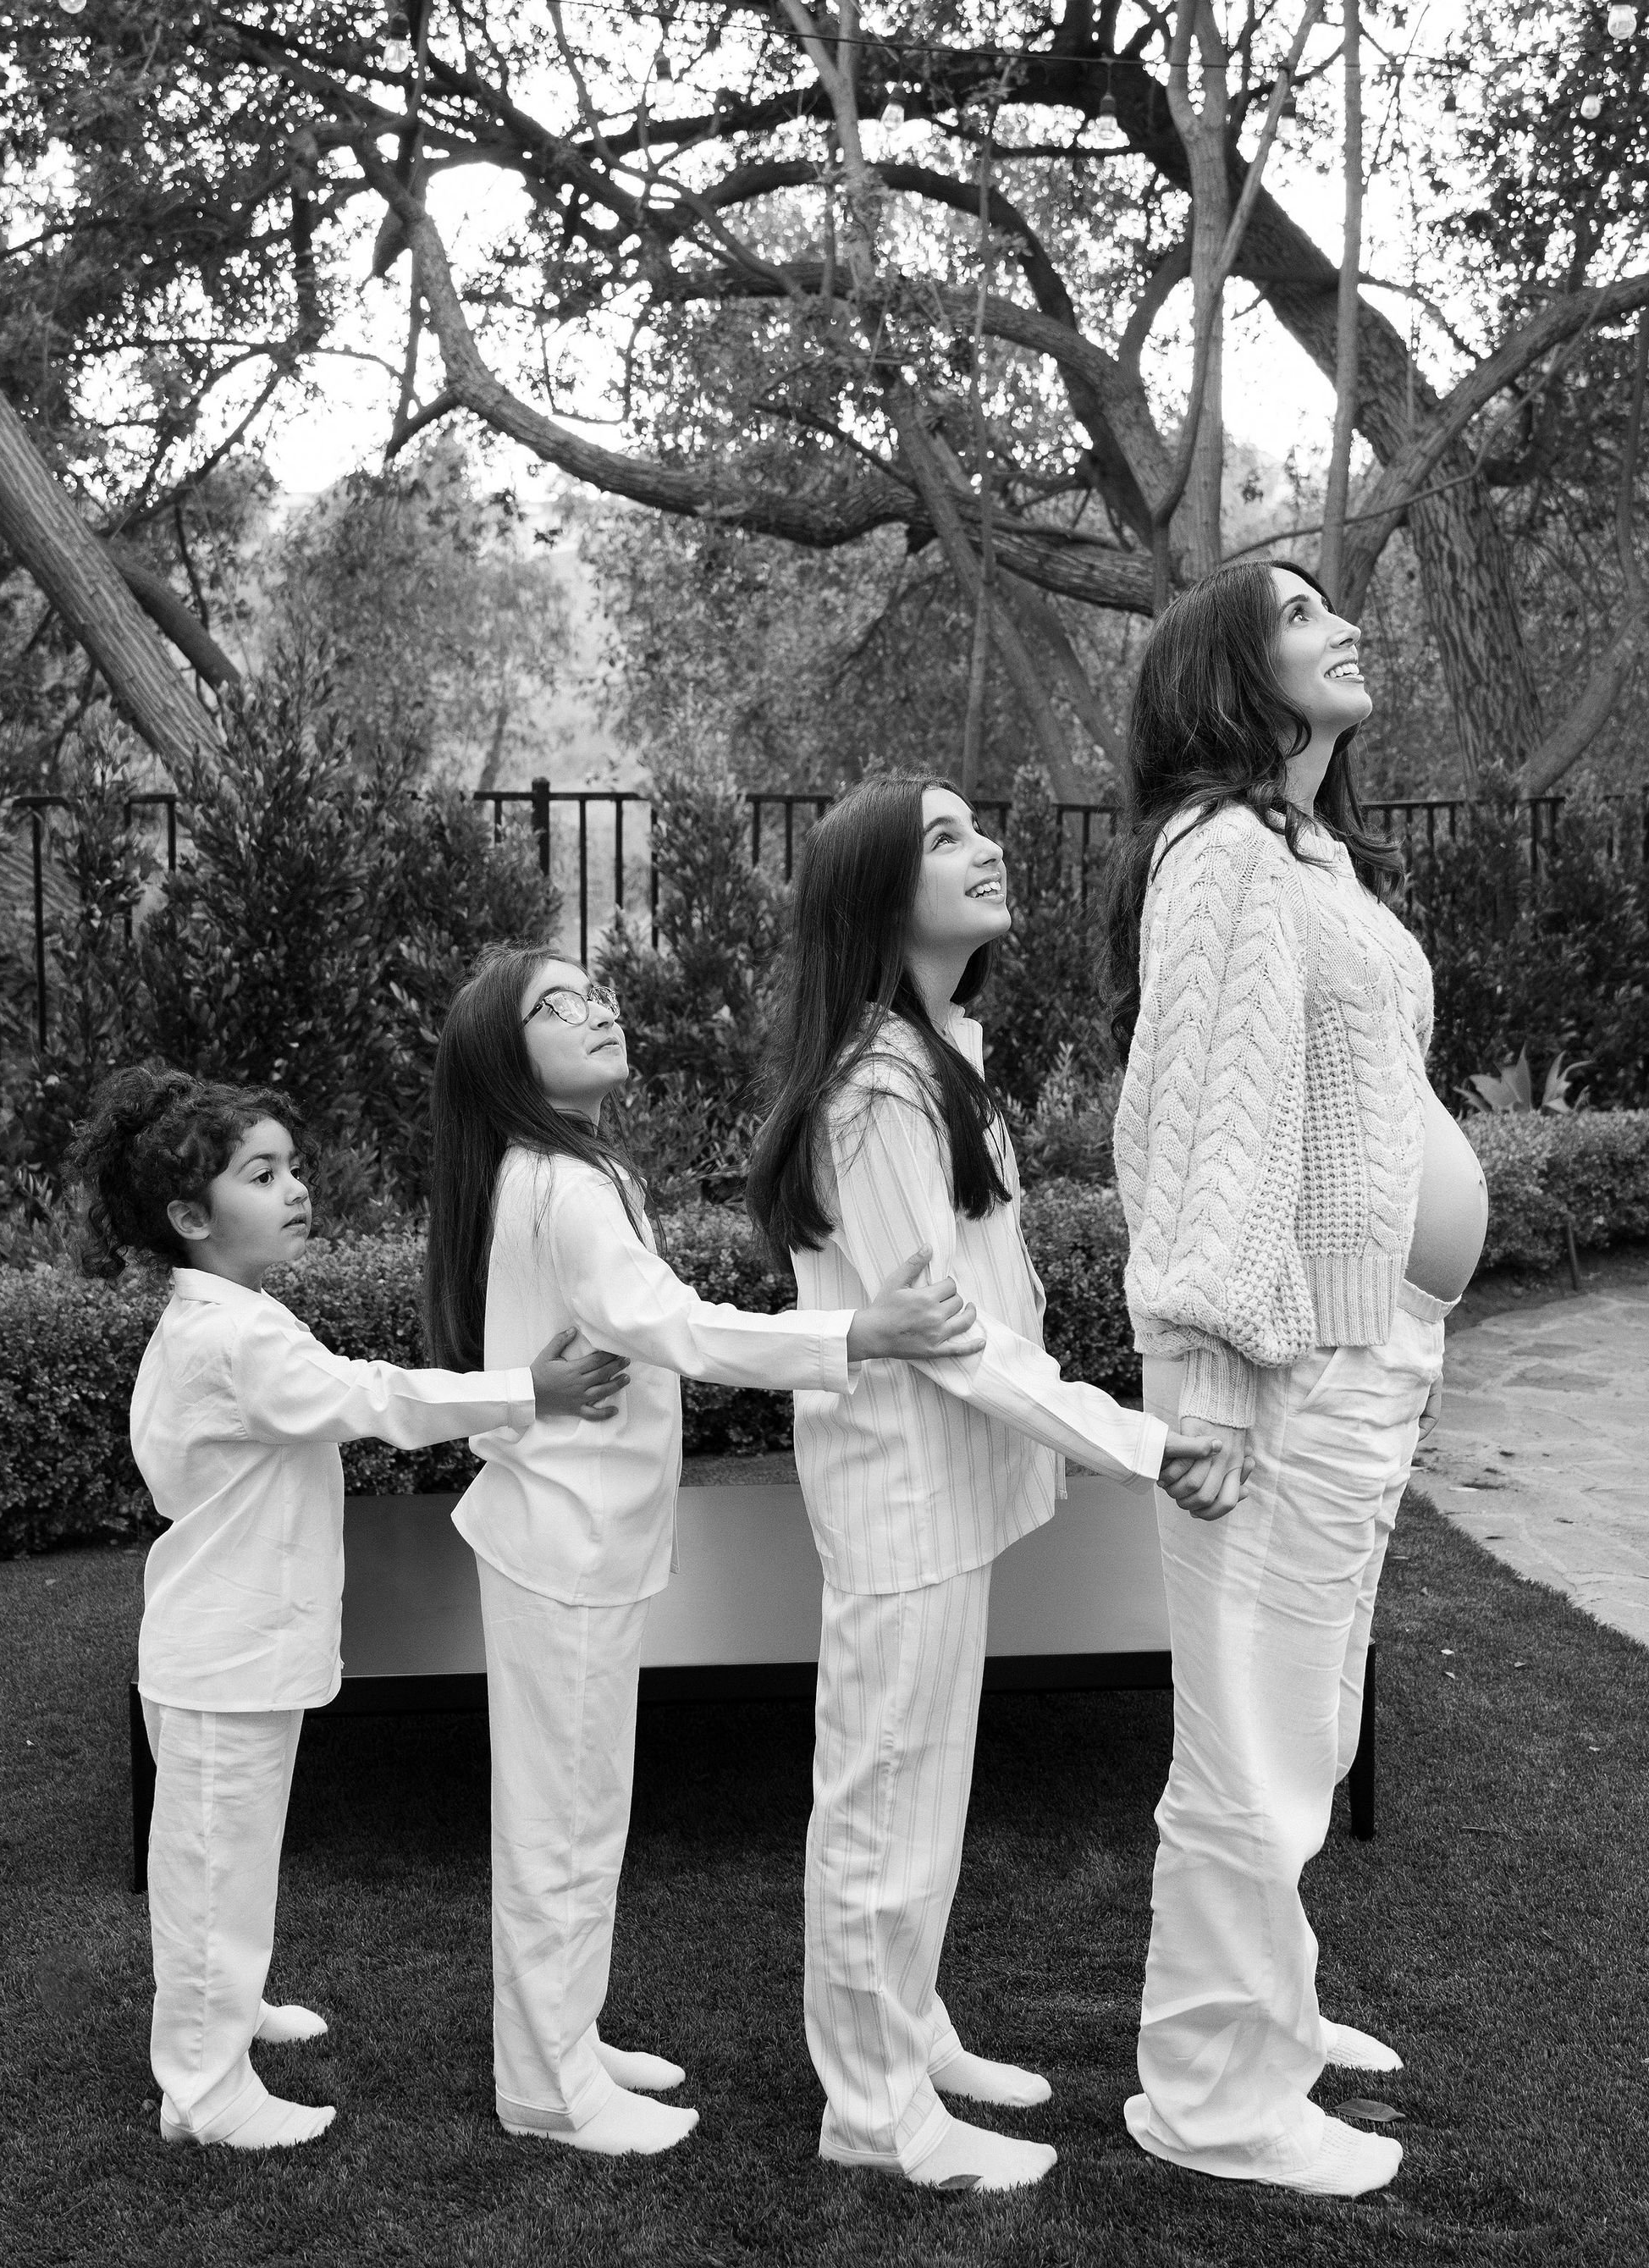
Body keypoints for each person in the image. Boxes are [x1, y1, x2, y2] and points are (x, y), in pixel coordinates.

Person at [745, 772, 1227, 2197]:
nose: (987, 847)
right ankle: (876, 2111)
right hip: (901, 1496)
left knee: (919, 1799)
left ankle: (915, 2034)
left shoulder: (938, 1052)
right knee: (883, 1810)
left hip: (945, 1495)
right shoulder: (876, 1086)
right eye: (943, 838)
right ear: (876, 892)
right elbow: (955, 1340)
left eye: (975, 826)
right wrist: (1140, 1440)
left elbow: (986, 1308)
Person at [423, 946, 984, 2159]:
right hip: (559, 1546)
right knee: (560, 1823)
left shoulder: (567, 1169)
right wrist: (860, 1333)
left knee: (581, 1811)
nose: (596, 1008)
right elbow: (674, 1328)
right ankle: (543, 2082)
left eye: (594, 989)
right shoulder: (559, 1187)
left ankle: (563, 2034)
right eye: (556, 1007)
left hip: (577, 1541)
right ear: (501, 1059)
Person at [1108, 560, 1490, 2199]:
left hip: (1366, 1346)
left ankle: (1270, 2008)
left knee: (1307, 1718)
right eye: (1300, 614)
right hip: (1279, 1370)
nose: (1345, 627)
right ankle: (1211, 2095)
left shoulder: (1306, 854)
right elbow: (1196, 1124)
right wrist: (1200, 1373)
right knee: (1249, 1744)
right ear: (1225, 671)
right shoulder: (1221, 859)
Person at [70, 1062, 628, 2154]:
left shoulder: (226, 1317)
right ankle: (203, 2086)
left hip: (226, 1643)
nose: (294, 1188)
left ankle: (228, 2011)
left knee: (229, 1854)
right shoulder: (237, 1338)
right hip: (223, 1651)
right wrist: (530, 1390)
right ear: (192, 1218)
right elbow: (376, 1397)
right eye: (260, 1174)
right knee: (211, 1871)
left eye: (291, 1167)